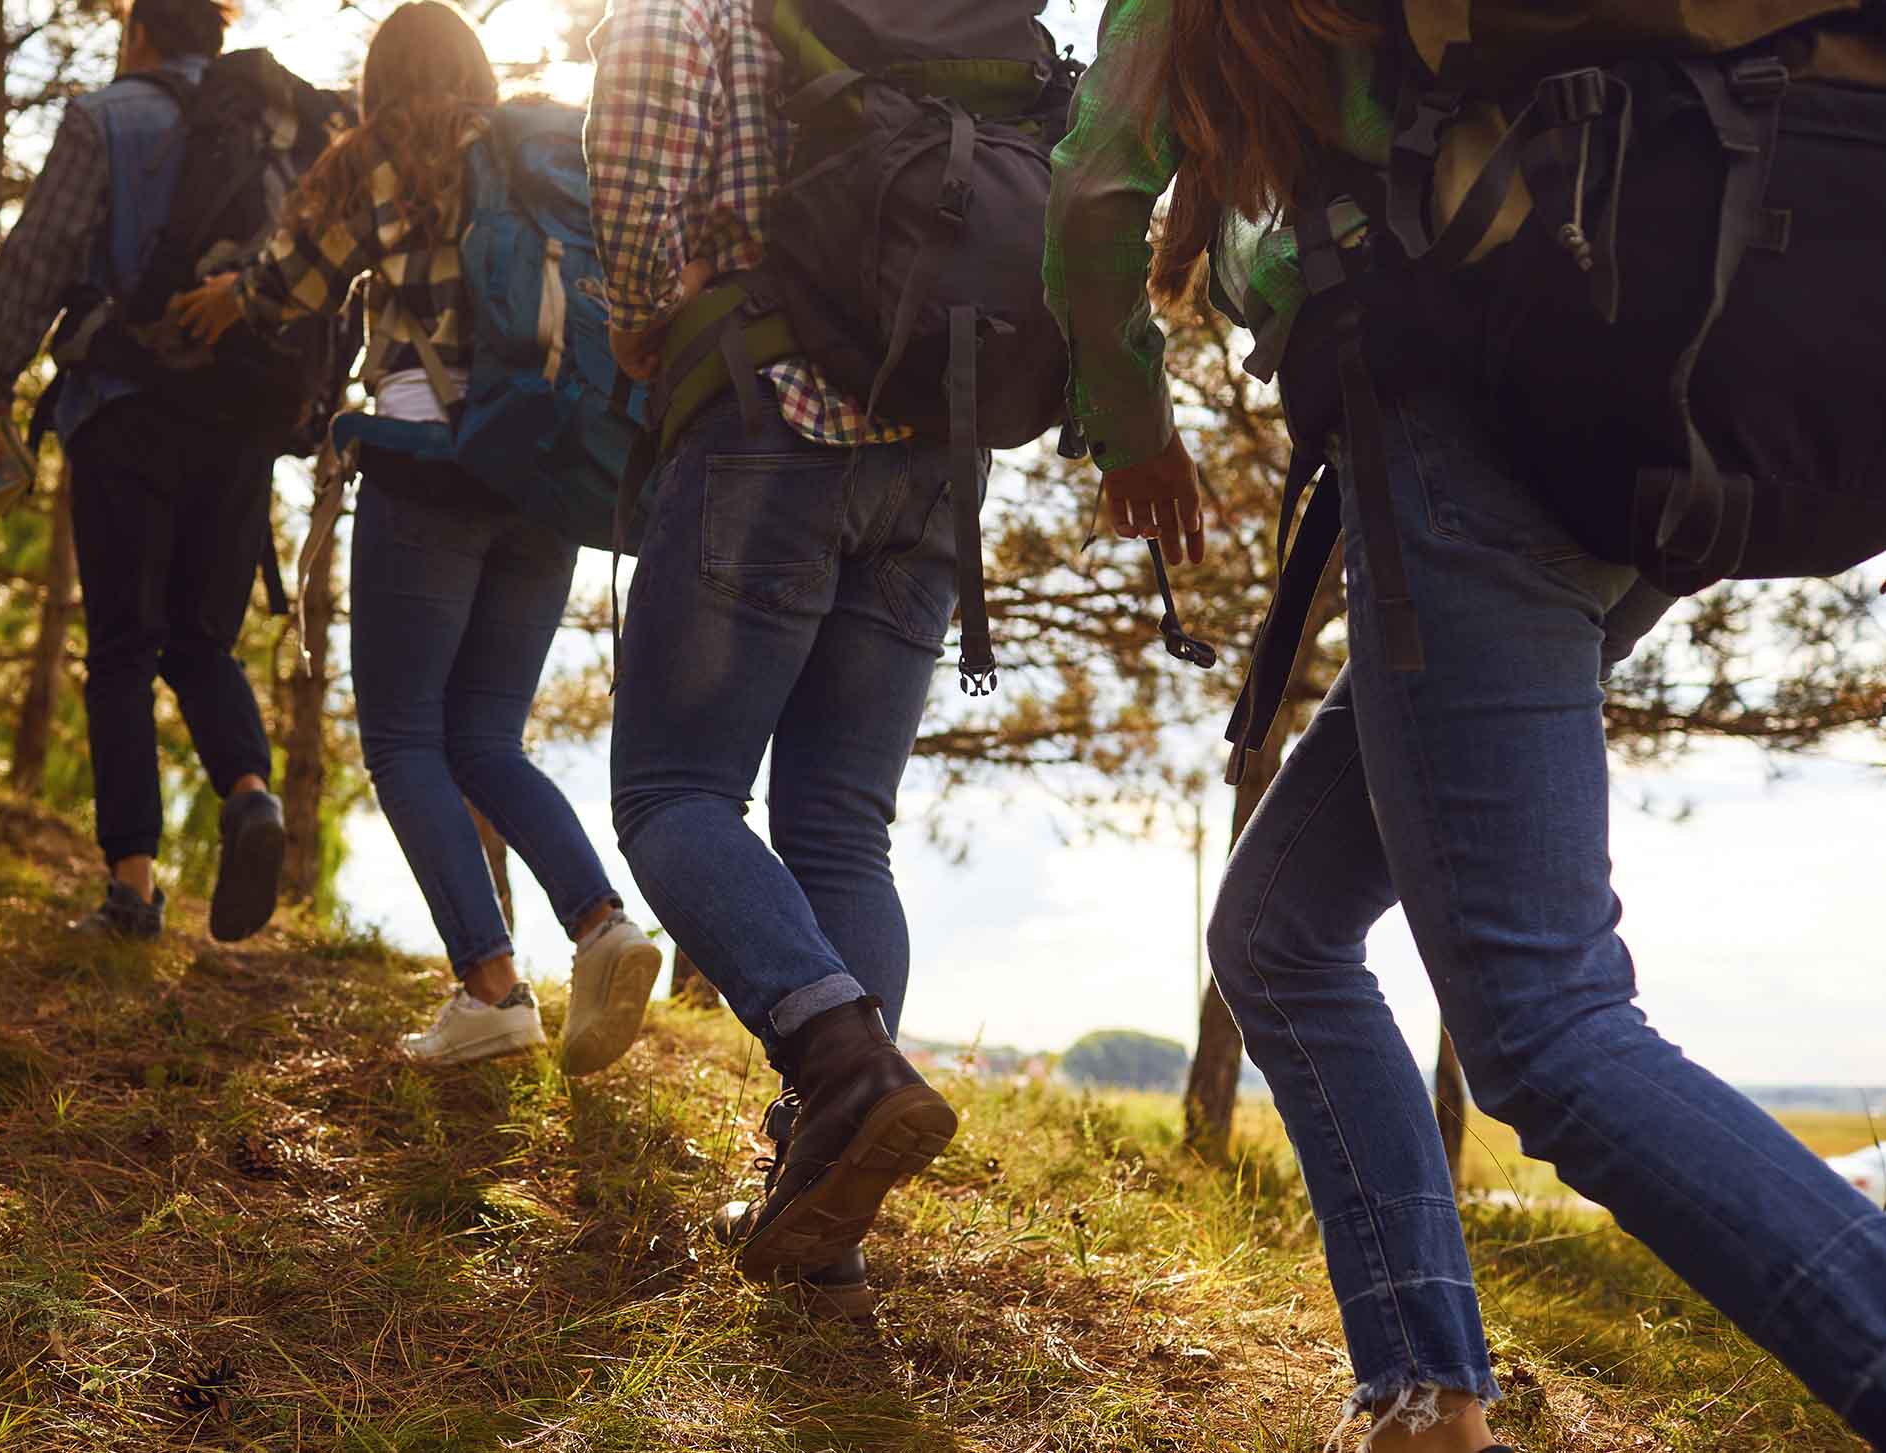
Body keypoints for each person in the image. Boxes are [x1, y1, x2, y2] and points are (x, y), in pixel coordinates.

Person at [1048, 2, 1886, 1448]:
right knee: (1279, 930)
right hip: (1628, 439)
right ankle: (1425, 1385)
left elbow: (1090, 195)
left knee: (1546, 1027)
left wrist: (1131, 420)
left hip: (1461, 442)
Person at [169, 2, 663, 1074]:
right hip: (541, 471)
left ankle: (490, 990)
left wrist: (225, 298)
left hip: (429, 464)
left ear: (382, 75)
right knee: (487, 737)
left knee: (401, 739)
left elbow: (287, 283)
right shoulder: (540, 150)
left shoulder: (375, 150)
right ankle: (602, 929)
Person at [585, 0, 965, 1321]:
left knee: (673, 794)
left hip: (769, 415)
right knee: (843, 833)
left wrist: (639, 317)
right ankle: (826, 1218)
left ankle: (840, 1062)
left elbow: (636, 162)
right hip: (938, 459)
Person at [0, 0, 287, 945]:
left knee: (123, 650)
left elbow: (35, 258)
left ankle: (133, 889)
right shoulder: (272, 133)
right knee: (201, 643)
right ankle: (251, 792)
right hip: (237, 421)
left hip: (124, 408)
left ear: (139, 33)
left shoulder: (105, 117)